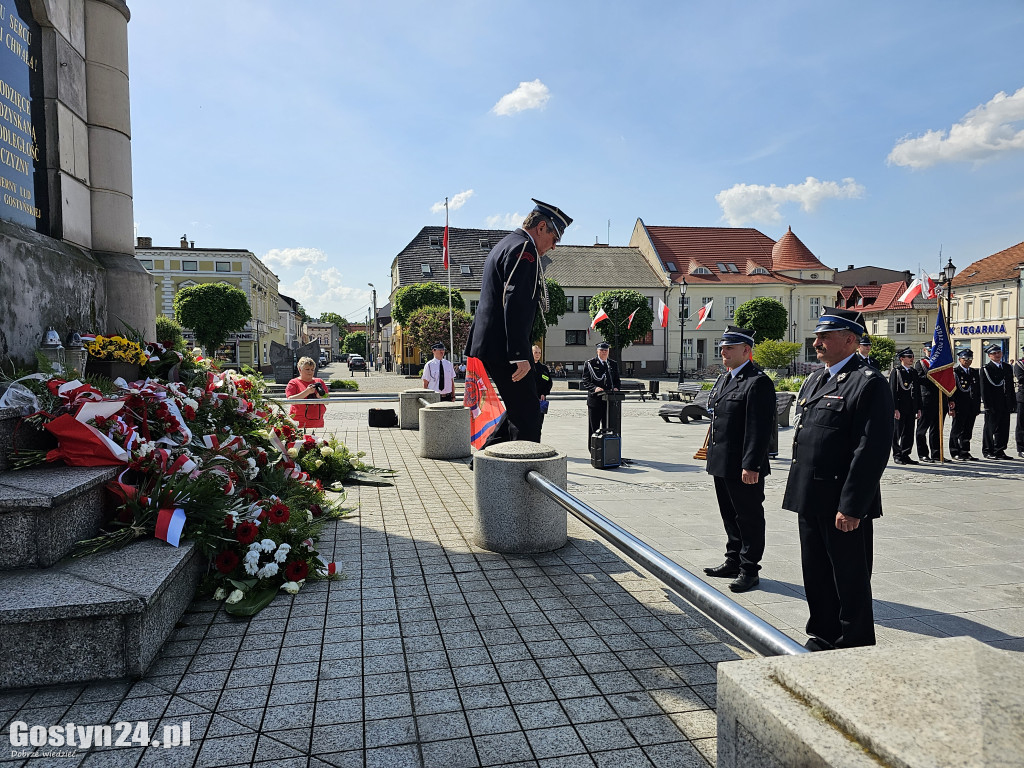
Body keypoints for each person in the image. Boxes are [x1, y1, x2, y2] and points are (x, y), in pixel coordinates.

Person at [783, 307, 894, 650]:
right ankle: (824, 632)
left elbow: (870, 450)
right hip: (810, 493)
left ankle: (854, 640)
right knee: (815, 572)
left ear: (849, 340)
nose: (816, 342)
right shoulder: (818, 377)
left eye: (824, 337)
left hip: (840, 499)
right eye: (817, 336)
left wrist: (852, 506)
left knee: (849, 575)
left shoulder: (868, 382)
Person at [465, 199, 571, 446]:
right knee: (528, 415)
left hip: (493, 343)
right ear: (542, 227)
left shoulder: (509, 243)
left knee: (520, 407)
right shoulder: (525, 250)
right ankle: (520, 476)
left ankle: (484, 462)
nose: (554, 247)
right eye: (555, 239)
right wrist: (518, 354)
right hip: (504, 347)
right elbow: (514, 302)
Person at [702, 327, 776, 593]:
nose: (724, 352)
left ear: (746, 350)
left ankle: (749, 569)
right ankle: (733, 560)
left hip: (744, 465)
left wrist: (752, 464)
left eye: (729, 348)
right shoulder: (725, 379)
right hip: (722, 460)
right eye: (722, 348)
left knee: (749, 517)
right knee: (729, 514)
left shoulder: (758, 382)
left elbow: (759, 428)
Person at [980, 344, 1015, 460]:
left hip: (1005, 403)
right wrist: (987, 405)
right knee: (990, 428)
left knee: (1004, 428)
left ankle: (999, 449)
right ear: (989, 356)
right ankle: (988, 450)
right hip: (993, 403)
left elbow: (1010, 387)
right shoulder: (986, 369)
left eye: (999, 352)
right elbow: (984, 389)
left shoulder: (1007, 367)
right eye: (994, 353)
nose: (997, 355)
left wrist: (1012, 403)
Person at [581, 341, 621, 440]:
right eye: (602, 350)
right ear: (597, 351)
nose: (604, 352)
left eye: (606, 350)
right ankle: (593, 450)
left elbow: (617, 380)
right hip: (595, 401)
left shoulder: (612, 364)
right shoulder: (590, 363)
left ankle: (605, 449)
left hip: (609, 401)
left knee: (608, 426)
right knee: (594, 428)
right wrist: (595, 388)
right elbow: (585, 381)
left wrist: (616, 388)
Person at [889, 348, 921, 465]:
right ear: (902, 358)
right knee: (897, 432)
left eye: (912, 356)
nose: (911, 359)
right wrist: (895, 408)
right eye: (909, 356)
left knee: (909, 432)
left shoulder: (913, 372)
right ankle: (897, 455)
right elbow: (892, 391)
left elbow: (917, 392)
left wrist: (918, 408)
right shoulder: (896, 372)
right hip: (900, 407)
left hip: (911, 407)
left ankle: (905, 453)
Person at [948, 349, 982, 461]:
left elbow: (977, 391)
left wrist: (977, 407)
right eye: (965, 359)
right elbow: (951, 391)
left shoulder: (973, 372)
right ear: (959, 359)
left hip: (971, 406)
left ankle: (965, 451)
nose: (967, 361)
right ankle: (954, 451)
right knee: (957, 430)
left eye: (970, 359)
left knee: (968, 430)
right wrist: (951, 406)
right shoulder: (955, 372)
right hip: (959, 405)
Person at [914, 344, 943, 462]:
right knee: (922, 429)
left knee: (936, 428)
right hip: (926, 398)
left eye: (934, 350)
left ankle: (936, 453)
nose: (931, 352)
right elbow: (919, 378)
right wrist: (933, 376)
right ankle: (923, 454)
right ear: (925, 350)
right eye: (930, 350)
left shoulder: (940, 363)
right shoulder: (920, 363)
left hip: (938, 398)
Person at [285, 356, 327, 432]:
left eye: (312, 369)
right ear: (300, 369)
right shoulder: (293, 383)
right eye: (307, 369)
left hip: (317, 422)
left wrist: (321, 397)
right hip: (299, 423)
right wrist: (306, 392)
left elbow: (327, 400)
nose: (310, 372)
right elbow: (290, 399)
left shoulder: (319, 381)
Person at [533, 344, 553, 435]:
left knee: (538, 425)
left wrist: (544, 393)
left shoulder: (543, 368)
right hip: (528, 398)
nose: (537, 354)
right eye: (535, 352)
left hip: (540, 399)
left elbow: (549, 382)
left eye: (539, 353)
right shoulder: (527, 367)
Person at [1014, 346, 1024, 458]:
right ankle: (1021, 448)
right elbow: (1021, 378)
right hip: (1023, 397)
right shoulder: (1020, 364)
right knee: (1021, 424)